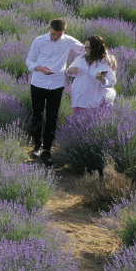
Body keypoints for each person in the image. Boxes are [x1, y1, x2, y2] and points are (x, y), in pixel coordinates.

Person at [25, 19, 85, 166]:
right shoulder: (39, 41)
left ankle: (47, 150)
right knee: (37, 115)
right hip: (38, 83)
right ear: (49, 28)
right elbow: (29, 61)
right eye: (53, 33)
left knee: (52, 117)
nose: (56, 37)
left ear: (64, 31)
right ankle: (37, 146)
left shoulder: (68, 40)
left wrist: (107, 56)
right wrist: (39, 68)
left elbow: (87, 50)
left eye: (59, 34)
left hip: (56, 85)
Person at [66, 35, 117, 116]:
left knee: (96, 125)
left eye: (88, 48)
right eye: (85, 47)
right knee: (77, 124)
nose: (85, 50)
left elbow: (112, 81)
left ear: (96, 49)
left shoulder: (106, 62)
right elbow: (68, 71)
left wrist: (102, 79)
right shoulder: (80, 58)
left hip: (97, 100)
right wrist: (70, 70)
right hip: (80, 99)